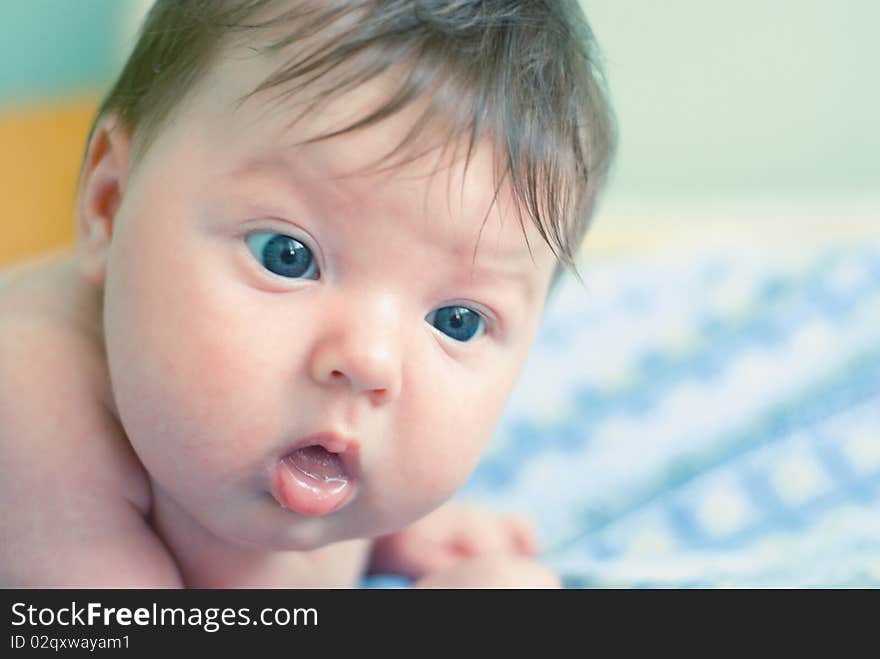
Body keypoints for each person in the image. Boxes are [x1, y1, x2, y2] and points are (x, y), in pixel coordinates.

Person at [0, 0, 614, 587]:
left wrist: (390, 536)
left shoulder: (280, 425)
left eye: (457, 321)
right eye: (287, 257)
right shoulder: (31, 412)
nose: (370, 361)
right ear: (110, 203)